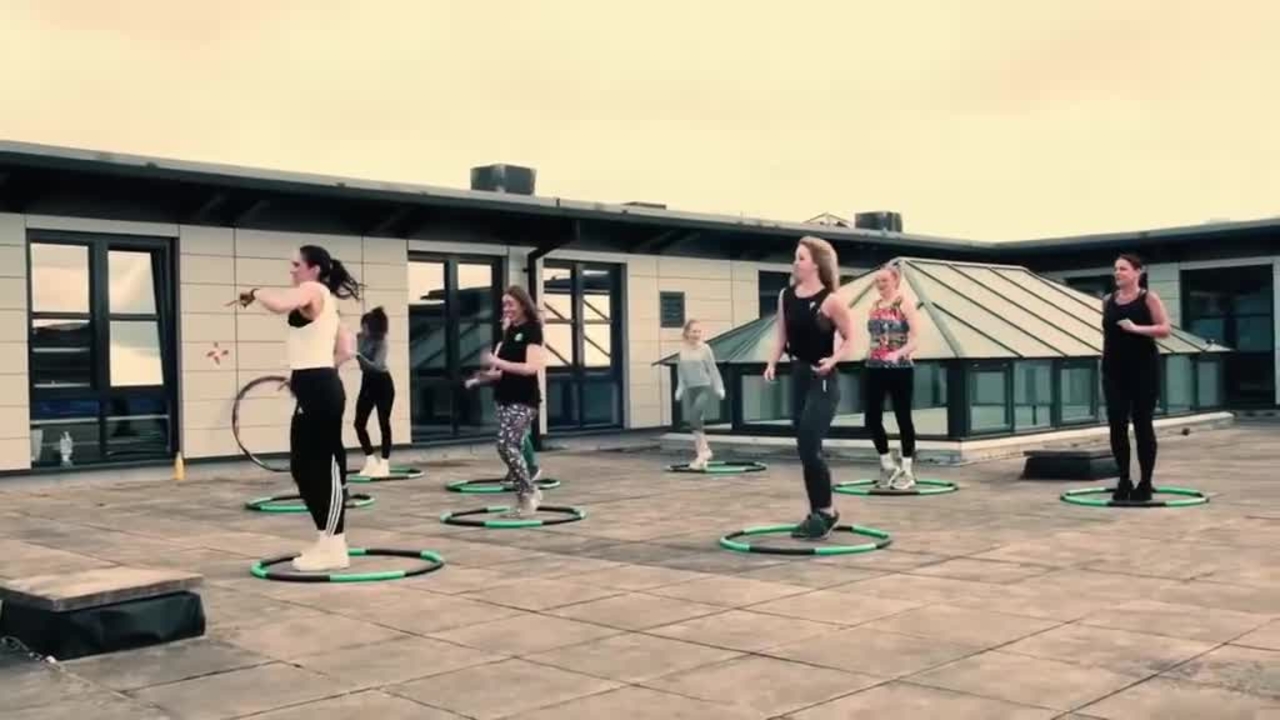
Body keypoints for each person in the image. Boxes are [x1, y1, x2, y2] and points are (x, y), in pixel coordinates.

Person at [237, 245, 359, 571]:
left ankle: (336, 547)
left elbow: (278, 304)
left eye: (296, 264)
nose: (291, 270)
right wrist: (306, 375)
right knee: (302, 468)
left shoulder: (313, 290)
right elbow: (347, 349)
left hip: (320, 391)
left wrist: (254, 291)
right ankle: (325, 540)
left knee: (323, 468)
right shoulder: (324, 301)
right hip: (314, 387)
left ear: (314, 269)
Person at [764, 236, 857, 540]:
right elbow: (781, 336)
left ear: (816, 264)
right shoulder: (786, 296)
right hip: (799, 376)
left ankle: (826, 511)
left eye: (801, 258)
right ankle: (818, 512)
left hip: (823, 378)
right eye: (796, 257)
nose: (795, 262)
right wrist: (772, 363)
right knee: (805, 449)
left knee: (808, 443)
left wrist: (833, 360)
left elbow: (851, 338)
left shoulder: (831, 300)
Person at [1102, 253, 1170, 503]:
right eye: (1116, 269)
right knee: (1117, 425)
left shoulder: (1148, 298)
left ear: (1137, 272)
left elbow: (1165, 329)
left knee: (1142, 425)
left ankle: (1145, 483)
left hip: (1143, 370)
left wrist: (1136, 328)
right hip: (1114, 371)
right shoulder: (1108, 300)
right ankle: (1123, 479)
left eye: (1123, 269)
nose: (1118, 273)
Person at [480, 286, 547, 515]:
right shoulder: (510, 331)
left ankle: (528, 494)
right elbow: (504, 371)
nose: (506, 308)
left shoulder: (533, 330)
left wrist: (498, 362)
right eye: (504, 304)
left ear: (523, 304)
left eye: (510, 304)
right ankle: (528, 494)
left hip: (524, 400)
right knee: (508, 447)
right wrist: (488, 376)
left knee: (506, 444)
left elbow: (530, 368)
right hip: (504, 398)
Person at [465, 312, 542, 485]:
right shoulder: (502, 345)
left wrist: (497, 366)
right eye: (503, 320)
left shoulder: (526, 337)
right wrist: (478, 379)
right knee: (509, 439)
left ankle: (530, 470)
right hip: (503, 395)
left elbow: (527, 368)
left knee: (515, 437)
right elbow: (496, 372)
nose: (504, 322)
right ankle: (516, 471)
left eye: (507, 319)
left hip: (522, 397)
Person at [865, 263, 922, 490]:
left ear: (895, 280)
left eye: (885, 280)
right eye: (877, 281)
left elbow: (915, 340)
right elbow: (875, 338)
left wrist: (897, 354)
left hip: (900, 369)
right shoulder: (874, 306)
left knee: (902, 417)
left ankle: (907, 470)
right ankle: (888, 464)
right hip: (875, 368)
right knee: (871, 418)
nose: (880, 285)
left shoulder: (905, 304)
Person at [674, 319, 726, 470]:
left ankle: (705, 452)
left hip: (704, 387)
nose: (696, 334)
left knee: (694, 417)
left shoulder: (705, 349)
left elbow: (713, 369)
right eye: (693, 331)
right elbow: (681, 373)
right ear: (687, 333)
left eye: (698, 331)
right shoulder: (682, 351)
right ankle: (702, 455)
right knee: (696, 423)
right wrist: (679, 389)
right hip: (691, 389)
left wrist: (719, 387)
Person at [354, 307, 395, 478]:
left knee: (383, 422)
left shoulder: (381, 342)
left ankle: (384, 463)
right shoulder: (359, 338)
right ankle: (370, 460)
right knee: (359, 423)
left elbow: (377, 366)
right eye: (362, 326)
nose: (363, 330)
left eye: (366, 327)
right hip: (367, 382)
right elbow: (362, 366)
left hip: (383, 382)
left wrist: (358, 356)